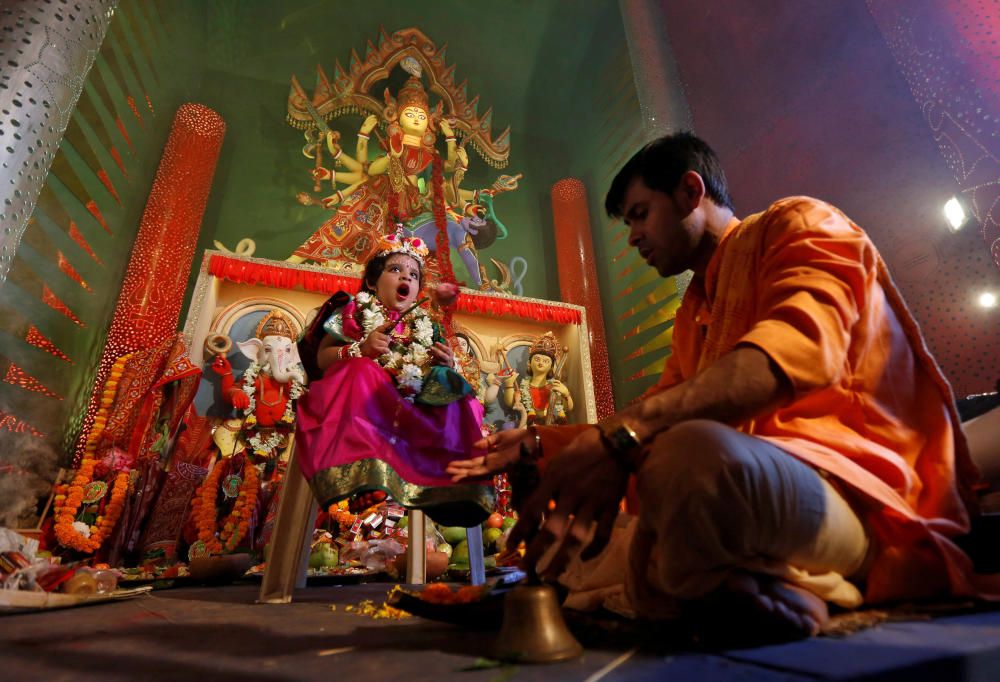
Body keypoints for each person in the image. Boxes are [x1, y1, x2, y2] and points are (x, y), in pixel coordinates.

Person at [447, 132, 998, 642]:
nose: (635, 237)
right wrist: (544, 445)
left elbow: (795, 352)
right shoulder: (695, 309)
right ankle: (754, 583)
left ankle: (753, 580)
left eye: (640, 215)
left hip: (854, 497)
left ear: (691, 191)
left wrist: (621, 439)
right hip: (757, 495)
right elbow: (654, 407)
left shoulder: (800, 224)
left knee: (688, 461)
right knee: (567, 542)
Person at [296, 232, 492, 525]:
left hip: (411, 406)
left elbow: (438, 375)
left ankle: (455, 487)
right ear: (373, 282)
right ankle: (364, 475)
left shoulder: (426, 325)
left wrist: (448, 364)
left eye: (414, 275)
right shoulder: (353, 310)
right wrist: (360, 349)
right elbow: (323, 359)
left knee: (450, 382)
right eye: (395, 269)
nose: (406, 278)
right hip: (364, 399)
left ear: (418, 291)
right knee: (364, 369)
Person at [500, 331, 574, 426]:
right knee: (507, 426)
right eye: (537, 359)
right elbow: (511, 403)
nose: (541, 363)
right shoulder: (524, 387)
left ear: (551, 367)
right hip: (531, 424)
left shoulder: (555, 386)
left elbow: (568, 408)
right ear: (529, 363)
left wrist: (566, 395)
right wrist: (509, 385)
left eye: (546, 361)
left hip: (554, 424)